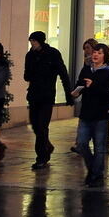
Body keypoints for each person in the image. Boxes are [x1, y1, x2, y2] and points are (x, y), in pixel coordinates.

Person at [24, 30, 73, 170]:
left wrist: (68, 95)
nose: (32, 43)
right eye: (31, 41)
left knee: (42, 126)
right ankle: (47, 146)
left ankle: (41, 157)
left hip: (47, 95)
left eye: (34, 41)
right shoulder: (30, 55)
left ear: (40, 41)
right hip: (34, 95)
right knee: (35, 125)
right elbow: (26, 75)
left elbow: (63, 74)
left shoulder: (53, 54)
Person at [71, 42, 109, 187]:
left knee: (99, 147)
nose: (96, 55)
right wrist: (76, 91)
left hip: (100, 114)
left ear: (105, 56)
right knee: (82, 144)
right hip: (86, 113)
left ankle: (96, 175)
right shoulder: (86, 69)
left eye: (100, 53)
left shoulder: (107, 72)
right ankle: (93, 170)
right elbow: (80, 83)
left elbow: (108, 93)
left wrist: (93, 86)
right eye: (95, 52)